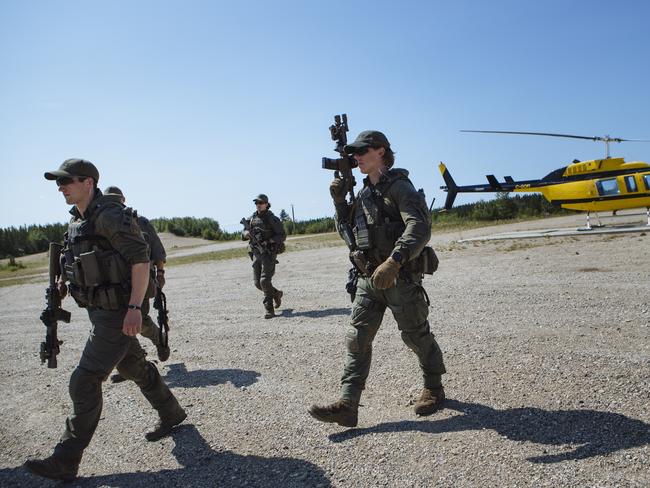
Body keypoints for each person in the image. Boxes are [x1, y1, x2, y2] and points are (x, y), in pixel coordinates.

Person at [24, 159, 186, 482]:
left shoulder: (109, 216)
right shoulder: (77, 223)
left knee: (84, 380)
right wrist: (65, 285)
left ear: (89, 183)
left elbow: (140, 260)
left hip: (117, 315)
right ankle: (171, 412)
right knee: (133, 367)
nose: (61, 187)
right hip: (101, 313)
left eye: (66, 181)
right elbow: (85, 266)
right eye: (59, 182)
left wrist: (134, 308)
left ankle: (66, 460)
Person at [308, 130, 446, 428]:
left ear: (381, 151)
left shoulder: (399, 187)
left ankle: (434, 387)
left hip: (399, 278)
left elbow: (420, 226)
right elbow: (350, 234)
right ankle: (348, 404)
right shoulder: (363, 194)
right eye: (354, 152)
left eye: (362, 150)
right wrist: (338, 201)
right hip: (368, 279)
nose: (356, 156)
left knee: (415, 335)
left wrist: (395, 261)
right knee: (357, 339)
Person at [103, 186, 171, 373]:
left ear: (123, 200)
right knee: (118, 325)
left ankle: (158, 338)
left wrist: (160, 273)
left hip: (139, 281)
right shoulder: (102, 223)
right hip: (112, 284)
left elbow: (157, 248)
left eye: (116, 199)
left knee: (141, 321)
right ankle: (132, 367)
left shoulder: (138, 221)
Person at [242, 194, 286, 318]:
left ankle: (269, 310)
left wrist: (269, 241)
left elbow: (282, 235)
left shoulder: (272, 219)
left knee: (265, 281)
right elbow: (243, 233)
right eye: (256, 203)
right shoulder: (251, 218)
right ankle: (276, 293)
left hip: (268, 253)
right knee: (257, 283)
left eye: (261, 203)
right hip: (256, 253)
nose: (258, 205)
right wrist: (245, 233)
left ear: (267, 204)